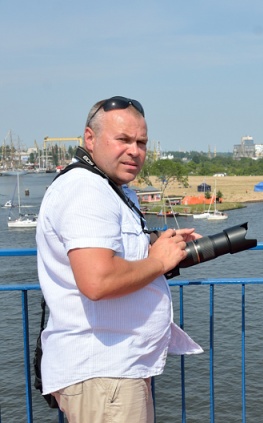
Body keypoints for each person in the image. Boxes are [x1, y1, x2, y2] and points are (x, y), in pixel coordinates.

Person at [36, 96, 203, 422]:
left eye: (141, 142)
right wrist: (158, 262)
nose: (135, 151)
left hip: (113, 370)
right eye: (123, 139)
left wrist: (159, 247)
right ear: (90, 138)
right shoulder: (86, 191)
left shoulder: (108, 187)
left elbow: (112, 255)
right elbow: (97, 281)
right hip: (103, 373)